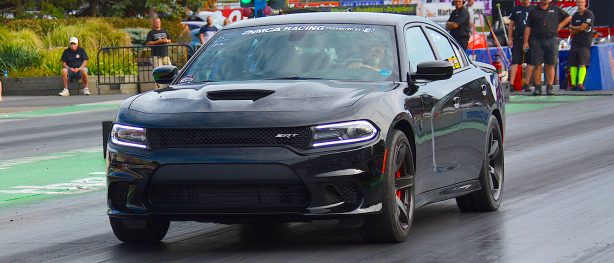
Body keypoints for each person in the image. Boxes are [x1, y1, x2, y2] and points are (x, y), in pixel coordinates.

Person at [523, 0, 571, 96]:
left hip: (551, 39)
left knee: (550, 64)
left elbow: (569, 17)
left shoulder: (555, 9)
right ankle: (538, 88)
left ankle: (549, 87)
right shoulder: (533, 10)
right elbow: (528, 27)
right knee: (537, 64)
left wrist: (560, 25)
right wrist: (525, 42)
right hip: (537, 40)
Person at [567, 0, 594, 91]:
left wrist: (574, 27)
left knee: (583, 64)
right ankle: (573, 84)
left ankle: (580, 84)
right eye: (578, 2)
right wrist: (577, 28)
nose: (580, 4)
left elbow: (583, 27)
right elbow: (572, 31)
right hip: (575, 42)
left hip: (585, 43)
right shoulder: (575, 15)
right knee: (573, 64)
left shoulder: (589, 14)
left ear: (585, 3)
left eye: (581, 2)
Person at [508, 0, 534, 92]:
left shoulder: (533, 9)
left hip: (531, 39)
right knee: (515, 60)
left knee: (530, 61)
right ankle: (511, 83)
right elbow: (511, 24)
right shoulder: (516, 8)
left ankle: (527, 83)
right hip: (518, 38)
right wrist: (510, 38)